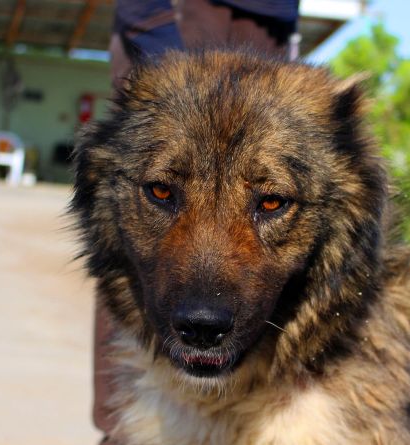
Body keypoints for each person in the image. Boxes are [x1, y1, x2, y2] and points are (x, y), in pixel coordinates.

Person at [93, 1, 300, 443]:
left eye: (270, 204)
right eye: (162, 193)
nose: (204, 311)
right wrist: (152, 30)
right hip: (173, 18)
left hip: (269, 22)